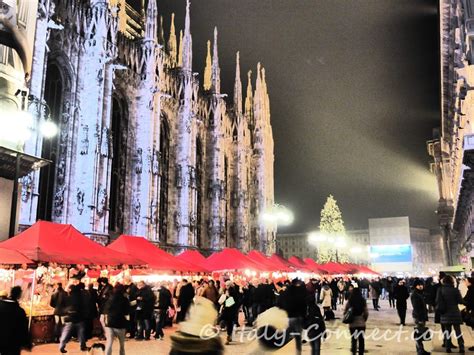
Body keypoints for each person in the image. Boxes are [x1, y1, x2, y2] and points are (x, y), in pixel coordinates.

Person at [0, 286, 32, 355]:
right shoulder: (20, 311)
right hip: (14, 343)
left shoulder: (1, 306)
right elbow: (24, 329)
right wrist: (27, 343)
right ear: (19, 295)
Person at [437, 275, 464, 353]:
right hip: (455, 313)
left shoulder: (440, 290)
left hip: (445, 313)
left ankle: (448, 348)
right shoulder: (455, 290)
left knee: (447, 331)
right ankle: (461, 347)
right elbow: (460, 301)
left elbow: (438, 301)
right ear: (452, 281)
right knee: (458, 331)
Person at [278, 278, 307, 354]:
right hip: (298, 317)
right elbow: (304, 305)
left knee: (286, 336)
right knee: (297, 337)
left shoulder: (285, 293)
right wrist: (304, 316)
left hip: (288, 317)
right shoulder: (301, 293)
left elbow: (279, 304)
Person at [103, 283, 130, 355]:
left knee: (109, 342)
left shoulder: (109, 298)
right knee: (122, 344)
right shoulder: (124, 299)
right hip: (120, 323)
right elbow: (127, 312)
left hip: (109, 323)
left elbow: (105, 310)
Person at [59, 284, 87, 353]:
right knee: (81, 334)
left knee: (65, 333)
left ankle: (62, 346)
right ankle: (82, 346)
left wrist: (66, 312)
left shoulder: (67, 297)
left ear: (71, 290)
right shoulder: (81, 297)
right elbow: (84, 307)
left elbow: (63, 307)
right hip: (79, 318)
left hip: (70, 318)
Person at [344, 287, 369, 355]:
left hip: (352, 324)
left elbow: (345, 312)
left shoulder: (350, 301)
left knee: (353, 339)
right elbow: (366, 312)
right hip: (361, 323)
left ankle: (353, 352)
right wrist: (364, 319)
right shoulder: (363, 300)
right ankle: (361, 353)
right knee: (361, 340)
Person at [411, 279, 430, 355]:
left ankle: (421, 350)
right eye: (419, 285)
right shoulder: (415, 294)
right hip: (418, 316)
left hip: (422, 316)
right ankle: (420, 351)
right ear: (416, 286)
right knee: (419, 334)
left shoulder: (420, 293)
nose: (421, 286)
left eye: (421, 285)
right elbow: (416, 307)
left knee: (420, 333)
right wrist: (419, 319)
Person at [463, 277, 474, 351]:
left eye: (466, 281)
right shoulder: (471, 289)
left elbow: (466, 300)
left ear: (470, 282)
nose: (465, 282)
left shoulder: (471, 290)